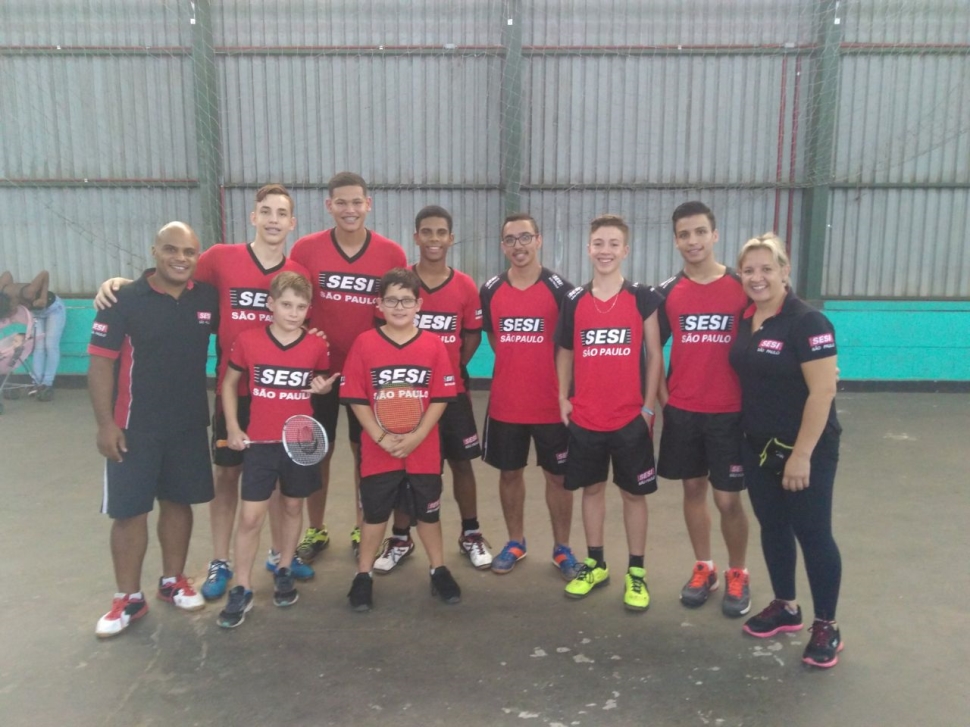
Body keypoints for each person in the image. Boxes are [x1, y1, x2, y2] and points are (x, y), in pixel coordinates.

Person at [94, 185, 316, 599]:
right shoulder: (218, 258)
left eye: (281, 213)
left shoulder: (299, 274)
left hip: (282, 396)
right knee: (228, 475)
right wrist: (121, 284)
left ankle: (276, 554)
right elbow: (169, 281)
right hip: (235, 394)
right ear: (253, 217)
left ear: (292, 223)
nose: (272, 219)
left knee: (277, 480)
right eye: (264, 211)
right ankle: (220, 559)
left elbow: (303, 330)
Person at [88, 222, 217, 638]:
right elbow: (101, 362)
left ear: (199, 257)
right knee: (129, 511)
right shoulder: (123, 299)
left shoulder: (207, 299)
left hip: (187, 425)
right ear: (154, 251)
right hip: (133, 427)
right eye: (171, 249)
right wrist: (106, 424)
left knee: (179, 503)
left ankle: (172, 580)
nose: (180, 258)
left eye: (189, 252)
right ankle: (127, 598)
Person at [729, 233, 843, 668]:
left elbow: (823, 391)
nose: (757, 278)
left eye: (766, 269)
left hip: (804, 450)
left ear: (784, 271)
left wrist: (802, 455)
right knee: (773, 527)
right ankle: (786, 606)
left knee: (813, 534)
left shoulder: (807, 321)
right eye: (750, 270)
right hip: (758, 447)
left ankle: (827, 625)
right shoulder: (747, 318)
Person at [290, 172, 407, 561]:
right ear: (329, 206)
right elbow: (290, 299)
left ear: (368, 204)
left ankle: (363, 526)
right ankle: (316, 529)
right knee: (317, 450)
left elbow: (400, 310)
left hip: (367, 376)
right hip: (319, 373)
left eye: (357, 202)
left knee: (365, 453)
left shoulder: (391, 254)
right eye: (341, 202)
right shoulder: (306, 250)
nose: (350, 209)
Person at [373, 205, 493, 573]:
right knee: (405, 465)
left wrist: (451, 365)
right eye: (427, 232)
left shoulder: (465, 286)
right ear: (416, 237)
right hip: (405, 396)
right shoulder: (399, 283)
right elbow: (382, 333)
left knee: (461, 464)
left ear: (451, 238)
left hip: (451, 393)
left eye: (441, 232)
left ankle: (471, 532)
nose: (434, 239)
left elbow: (471, 334)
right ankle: (400, 537)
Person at [217, 272, 338, 628]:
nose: (293, 312)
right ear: (270, 304)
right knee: (251, 516)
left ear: (308, 310)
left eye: (301, 307)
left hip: (298, 442)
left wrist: (322, 389)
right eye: (286, 304)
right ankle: (242, 587)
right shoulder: (248, 341)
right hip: (260, 446)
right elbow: (229, 384)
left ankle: (284, 567)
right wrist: (234, 428)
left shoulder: (316, 346)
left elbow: (322, 386)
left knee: (291, 505)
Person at [555, 215, 664, 610]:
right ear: (588, 249)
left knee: (634, 495)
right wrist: (562, 398)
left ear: (625, 250)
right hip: (586, 417)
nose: (605, 250)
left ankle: (637, 572)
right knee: (592, 489)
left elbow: (654, 355)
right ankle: (595, 563)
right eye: (598, 243)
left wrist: (648, 407)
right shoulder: (574, 300)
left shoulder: (642, 297)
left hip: (629, 418)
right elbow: (565, 351)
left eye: (613, 244)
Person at [340, 267, 461, 611]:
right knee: (374, 515)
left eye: (406, 300)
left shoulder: (434, 345)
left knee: (429, 514)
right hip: (379, 451)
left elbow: (440, 396)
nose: (398, 307)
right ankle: (363, 575)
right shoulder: (365, 344)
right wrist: (379, 436)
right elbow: (356, 397)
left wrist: (418, 435)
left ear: (418, 304)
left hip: (422, 450)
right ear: (379, 304)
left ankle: (438, 569)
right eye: (391, 300)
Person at [655, 201, 752, 618]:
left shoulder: (743, 287)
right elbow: (650, 350)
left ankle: (738, 572)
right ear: (676, 240)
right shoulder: (667, 294)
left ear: (714, 236)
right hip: (684, 412)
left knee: (728, 500)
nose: (692, 241)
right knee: (692, 490)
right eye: (683, 234)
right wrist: (664, 398)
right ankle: (704, 568)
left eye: (699, 232)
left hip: (729, 414)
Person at [480, 213, 579, 579]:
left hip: (552, 406)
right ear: (503, 245)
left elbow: (569, 348)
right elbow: (495, 341)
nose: (518, 246)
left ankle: (562, 548)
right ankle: (515, 542)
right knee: (510, 474)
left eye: (525, 238)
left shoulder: (561, 290)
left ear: (538, 240)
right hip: (507, 404)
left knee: (558, 478)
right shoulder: (490, 289)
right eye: (510, 240)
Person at [0, 269, 66, 401]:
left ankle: (47, 382)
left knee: (50, 345)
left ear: (13, 305)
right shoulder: (3, 294)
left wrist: (42, 296)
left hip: (53, 309)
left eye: (10, 314)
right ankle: (36, 382)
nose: (11, 316)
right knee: (37, 345)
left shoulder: (28, 293)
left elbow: (45, 273)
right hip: (35, 312)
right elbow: (7, 274)